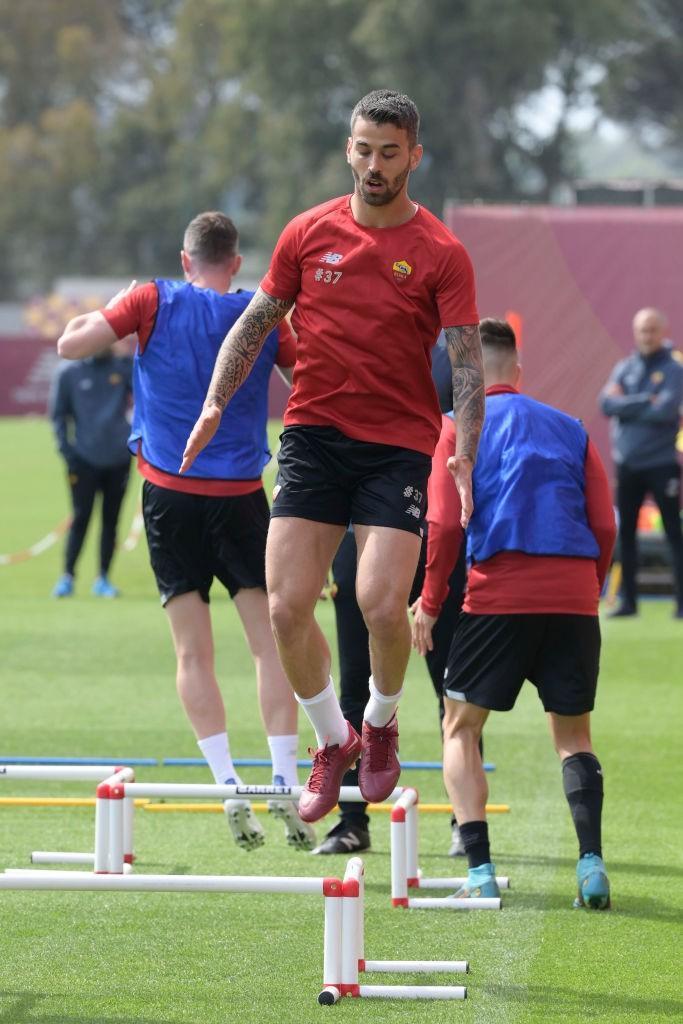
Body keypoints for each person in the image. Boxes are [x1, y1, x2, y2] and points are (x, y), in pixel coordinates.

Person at [180, 90, 484, 824]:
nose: (373, 165)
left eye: (389, 152)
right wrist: (216, 401)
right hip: (313, 436)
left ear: (414, 154)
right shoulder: (307, 232)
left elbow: (467, 363)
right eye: (362, 149)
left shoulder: (440, 251)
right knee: (285, 607)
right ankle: (332, 741)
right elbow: (255, 324)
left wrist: (464, 452)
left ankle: (379, 723)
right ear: (347, 148)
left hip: (397, 446)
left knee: (379, 602)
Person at [56, 211, 315, 852]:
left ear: (184, 259)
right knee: (270, 644)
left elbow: (72, 345)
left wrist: (102, 318)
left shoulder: (151, 298)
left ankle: (228, 781)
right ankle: (282, 777)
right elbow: (309, 377)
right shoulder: (259, 313)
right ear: (235, 262)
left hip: (169, 496)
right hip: (241, 499)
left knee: (192, 654)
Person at [412, 318, 616, 909]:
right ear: (519, 370)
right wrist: (590, 588)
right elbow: (604, 524)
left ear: (464, 376)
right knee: (574, 738)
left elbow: (444, 524)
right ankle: (591, 864)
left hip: (499, 592)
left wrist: (429, 603)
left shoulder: (453, 431)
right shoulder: (572, 428)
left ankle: (478, 872)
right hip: (573, 593)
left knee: (461, 727)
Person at [313, 334, 469, 856]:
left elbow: (461, 446)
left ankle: (463, 822)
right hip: (361, 539)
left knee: (451, 686)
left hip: (431, 537)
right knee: (356, 681)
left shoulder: (452, 352)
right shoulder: (359, 337)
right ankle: (352, 821)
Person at [599, 307, 683, 618]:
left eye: (652, 330)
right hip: (628, 465)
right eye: (642, 330)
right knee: (627, 535)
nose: (647, 336)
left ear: (663, 332)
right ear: (636, 333)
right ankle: (628, 602)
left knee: (674, 533)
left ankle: (682, 603)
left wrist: (628, 405)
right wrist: (645, 400)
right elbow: (606, 403)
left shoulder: (674, 371)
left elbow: (665, 409)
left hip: (661, 464)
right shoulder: (625, 368)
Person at [49, 340, 133, 598]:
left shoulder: (124, 368)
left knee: (111, 520)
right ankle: (67, 577)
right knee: (80, 517)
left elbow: (146, 394)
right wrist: (67, 452)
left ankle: (103, 578)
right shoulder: (68, 373)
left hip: (118, 459)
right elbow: (58, 415)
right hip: (83, 460)